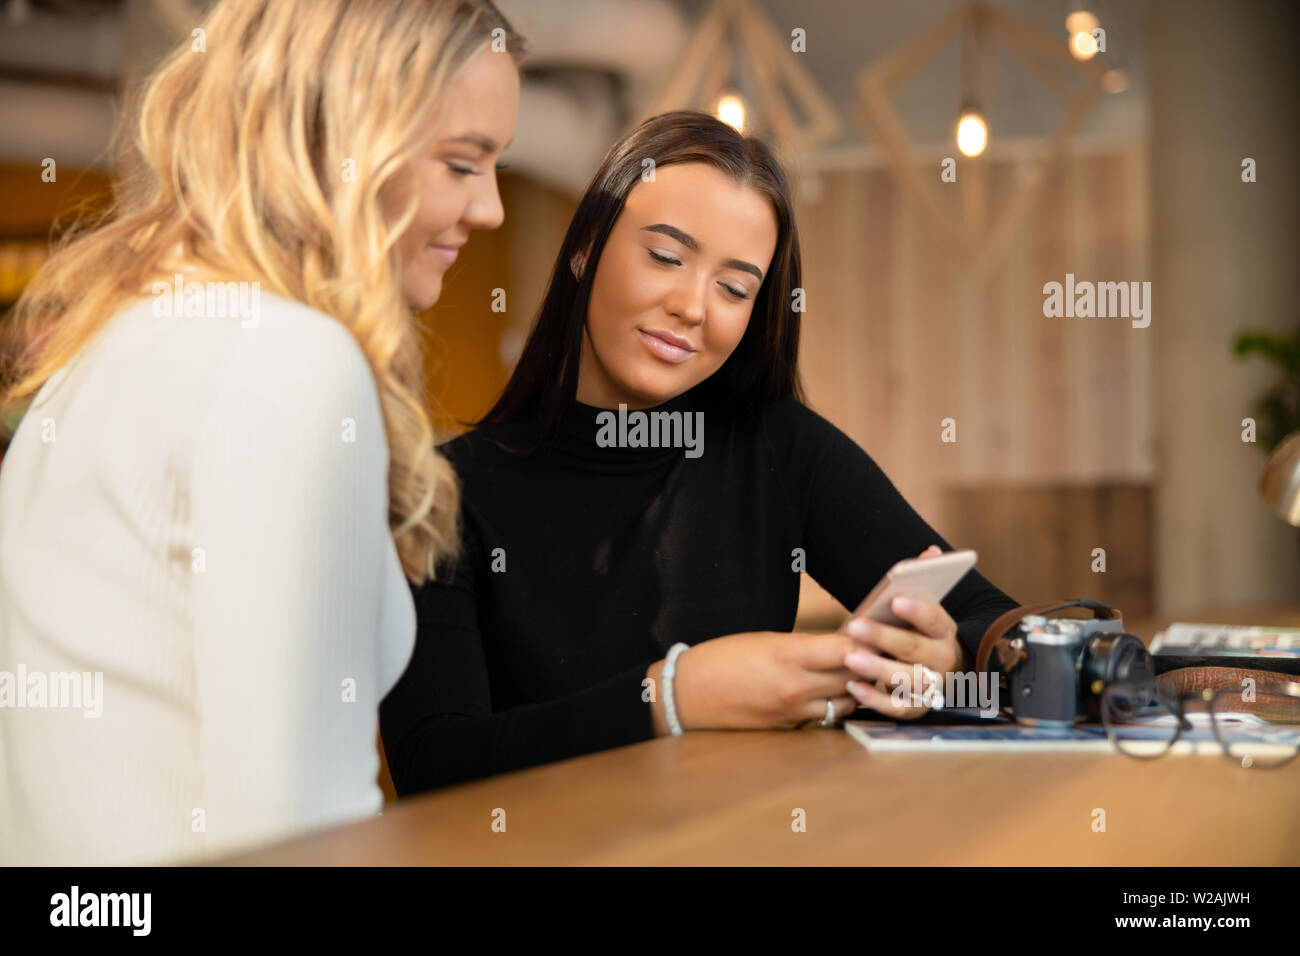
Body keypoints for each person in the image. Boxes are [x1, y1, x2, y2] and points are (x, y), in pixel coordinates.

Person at [0, 0, 522, 864]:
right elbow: (300, 833)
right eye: (463, 163)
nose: (493, 207)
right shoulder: (291, 362)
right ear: (342, 144)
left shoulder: (112, 340)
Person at [380, 111, 1021, 795]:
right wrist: (671, 698)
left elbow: (1002, 628)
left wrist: (948, 656)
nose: (694, 307)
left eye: (735, 288)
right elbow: (436, 765)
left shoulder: (778, 446)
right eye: (665, 256)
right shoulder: (443, 491)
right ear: (585, 246)